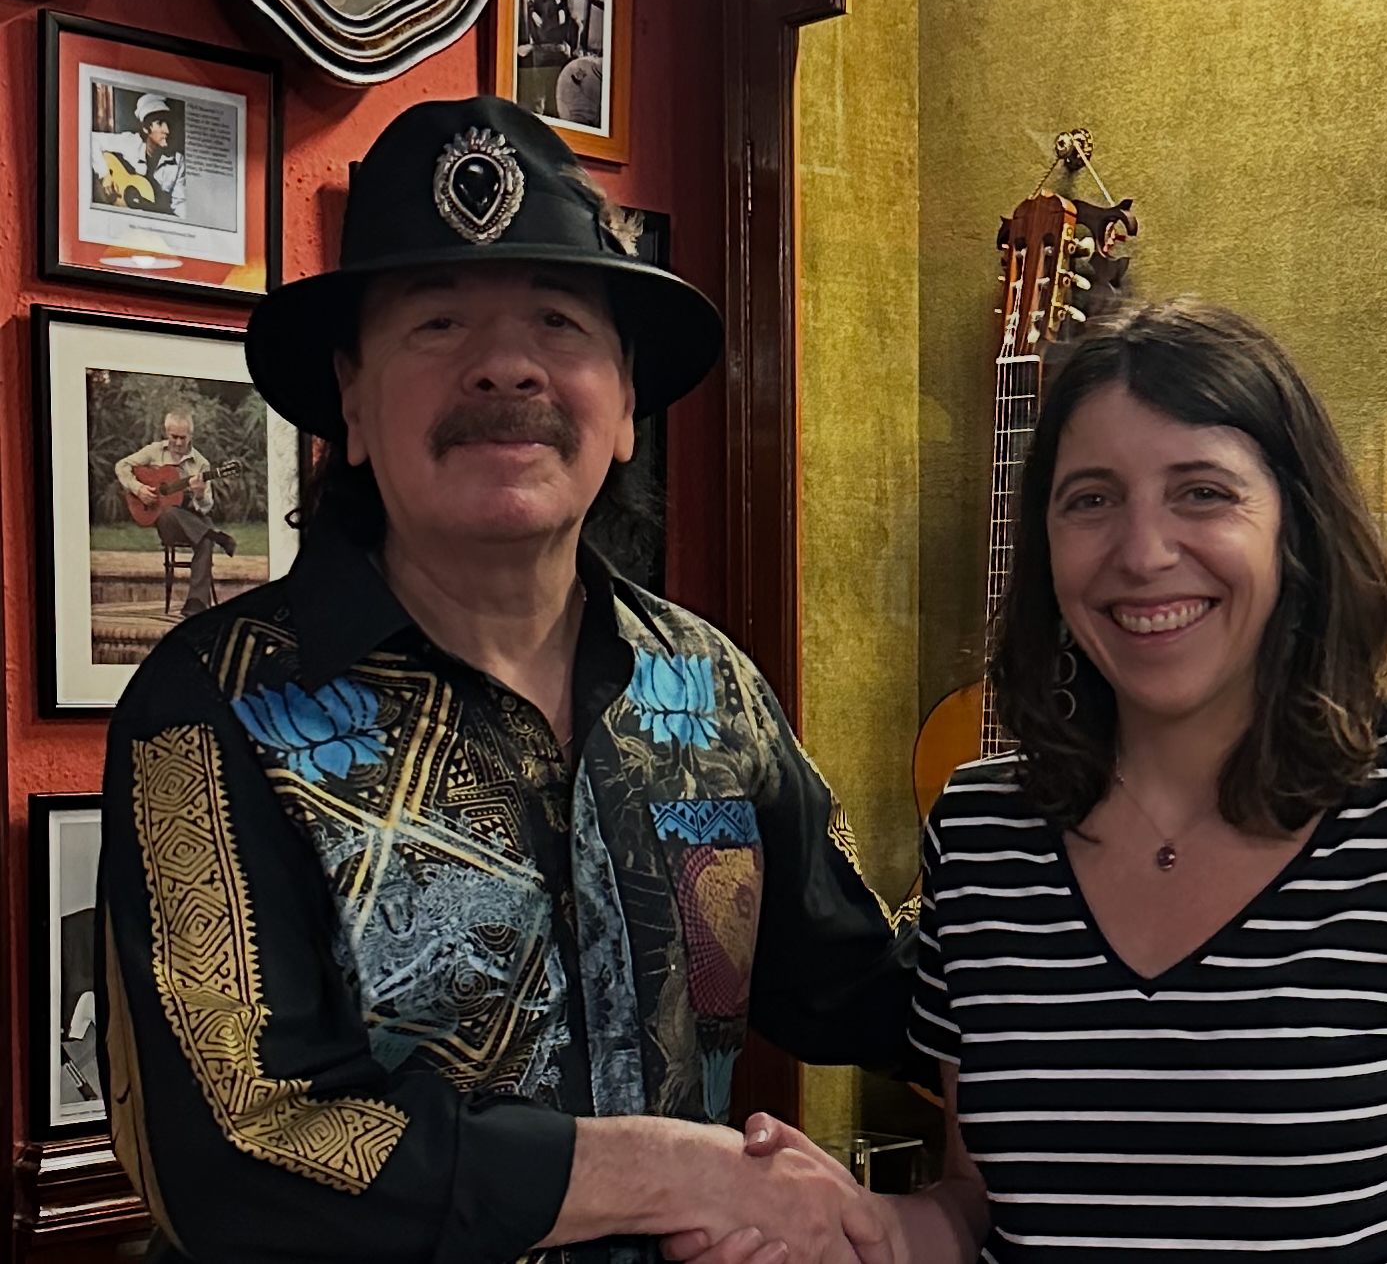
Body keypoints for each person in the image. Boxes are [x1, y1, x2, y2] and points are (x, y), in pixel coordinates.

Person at [96, 97, 916, 1264]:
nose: (504, 365)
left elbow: (860, 987)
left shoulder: (712, 688)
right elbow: (237, 1155)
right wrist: (667, 1170)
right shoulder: (210, 711)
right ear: (352, 402)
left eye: (558, 321)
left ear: (625, 404)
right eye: (437, 322)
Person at [681, 299, 1387, 1264]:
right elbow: (985, 1202)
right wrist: (868, 1228)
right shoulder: (982, 832)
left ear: (1297, 522)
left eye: (1202, 491)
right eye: (1091, 499)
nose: (1143, 552)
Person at [113, 409, 236, 617]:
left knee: (204, 540)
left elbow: (206, 506)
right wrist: (138, 489)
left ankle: (196, 602)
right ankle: (215, 535)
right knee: (169, 511)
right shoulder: (154, 451)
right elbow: (121, 465)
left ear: (191, 436)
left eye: (183, 437)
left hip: (193, 516)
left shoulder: (200, 464)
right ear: (166, 433)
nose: (178, 442)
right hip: (168, 522)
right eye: (174, 437)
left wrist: (198, 494)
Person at [90, 91, 186, 217]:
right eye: (160, 123)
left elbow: (180, 205)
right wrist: (104, 174)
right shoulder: (130, 142)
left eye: (168, 123)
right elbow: (91, 139)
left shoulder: (178, 162)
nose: (167, 130)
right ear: (146, 128)